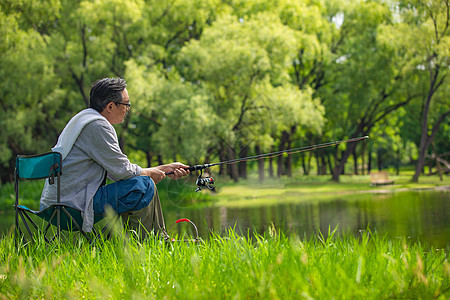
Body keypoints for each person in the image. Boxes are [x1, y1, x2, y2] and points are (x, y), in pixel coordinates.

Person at [40, 77, 189, 238]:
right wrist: (154, 173)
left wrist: (162, 169)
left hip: (56, 204)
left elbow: (117, 173)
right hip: (72, 205)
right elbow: (123, 172)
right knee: (144, 185)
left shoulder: (82, 119)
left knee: (140, 184)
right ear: (111, 106)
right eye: (126, 104)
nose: (128, 109)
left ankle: (143, 240)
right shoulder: (98, 126)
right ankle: (150, 242)